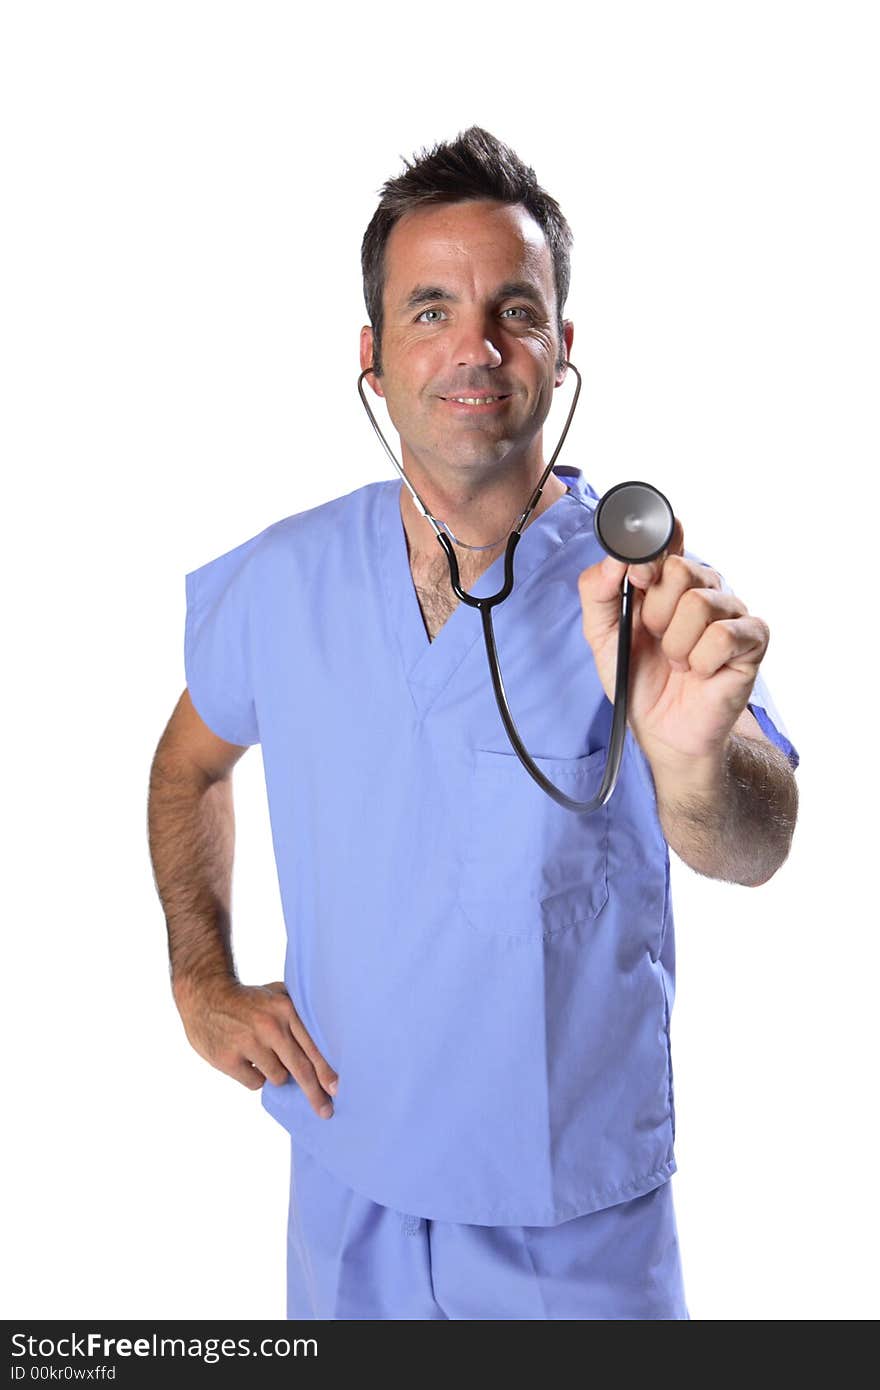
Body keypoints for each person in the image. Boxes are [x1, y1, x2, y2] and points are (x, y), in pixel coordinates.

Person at [147, 126, 799, 1321]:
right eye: (431, 309)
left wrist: (691, 758)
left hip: (573, 1237)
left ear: (560, 348)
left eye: (516, 309)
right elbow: (190, 765)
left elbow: (749, 842)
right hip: (345, 1205)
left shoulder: (643, 593)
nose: (476, 347)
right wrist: (201, 975)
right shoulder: (288, 577)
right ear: (373, 354)